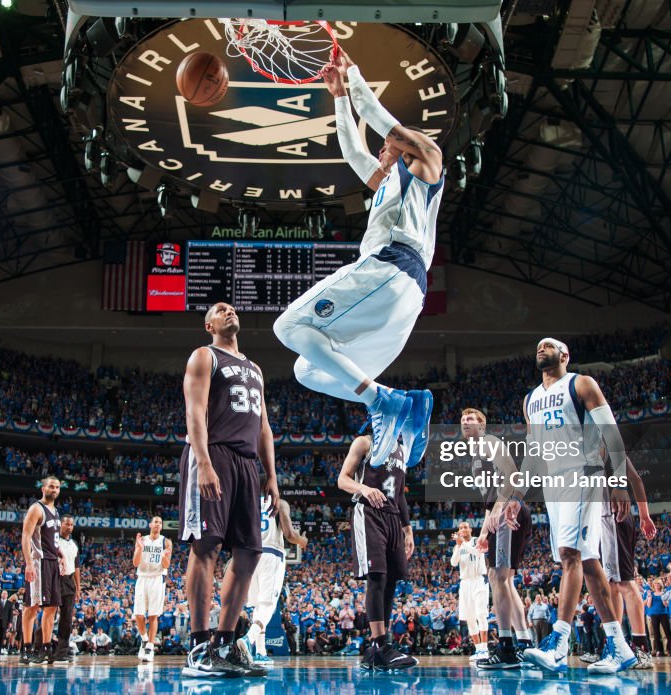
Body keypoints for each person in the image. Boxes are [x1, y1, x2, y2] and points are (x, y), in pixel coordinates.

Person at [273, 45, 443, 468]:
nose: (378, 153)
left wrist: (354, 76)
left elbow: (385, 125)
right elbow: (352, 151)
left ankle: (381, 402)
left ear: (399, 148)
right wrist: (339, 97)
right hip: (404, 296)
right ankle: (402, 404)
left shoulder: (426, 162)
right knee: (307, 370)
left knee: (289, 324)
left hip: (391, 268)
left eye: (386, 147)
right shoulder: (388, 183)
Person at [502, 338, 637, 674]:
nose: (539, 347)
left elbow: (612, 434)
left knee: (569, 555)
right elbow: (533, 452)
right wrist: (517, 496)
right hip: (552, 481)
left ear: (564, 355)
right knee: (588, 564)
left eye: (548, 345)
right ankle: (619, 648)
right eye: (536, 346)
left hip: (583, 471)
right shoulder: (530, 399)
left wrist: (618, 483)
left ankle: (558, 644)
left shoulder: (581, 383)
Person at [179, 302, 279, 678]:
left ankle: (225, 642)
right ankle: (199, 645)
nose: (229, 311)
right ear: (209, 325)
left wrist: (271, 475)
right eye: (221, 310)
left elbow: (264, 427)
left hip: (246, 463)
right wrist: (203, 462)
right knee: (206, 545)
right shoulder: (205, 356)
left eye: (233, 308)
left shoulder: (255, 369)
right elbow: (195, 410)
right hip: (213, 453)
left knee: (250, 552)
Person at [337, 431, 417, 672]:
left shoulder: (402, 449)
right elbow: (342, 479)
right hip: (369, 512)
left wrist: (408, 528)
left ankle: (377, 650)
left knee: (391, 580)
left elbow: (400, 492)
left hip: (393, 516)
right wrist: (363, 488)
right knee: (377, 576)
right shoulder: (365, 442)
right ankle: (380, 644)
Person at [462, 408, 534, 670]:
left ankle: (506, 647)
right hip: (499, 513)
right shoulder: (475, 457)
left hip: (508, 512)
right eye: (462, 420)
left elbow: (513, 474)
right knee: (505, 580)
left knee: (497, 578)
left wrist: (499, 510)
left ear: (482, 425)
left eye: (471, 419)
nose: (465, 423)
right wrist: (483, 533)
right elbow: (487, 502)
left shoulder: (489, 442)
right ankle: (524, 644)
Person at [596, 452, 657, 668]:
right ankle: (617, 645)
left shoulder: (607, 450)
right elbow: (637, 480)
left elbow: (635, 480)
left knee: (624, 584)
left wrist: (645, 515)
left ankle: (641, 648)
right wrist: (644, 515)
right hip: (605, 520)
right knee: (612, 586)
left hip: (613, 518)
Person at [238, 495, 308, 668]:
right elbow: (290, 534)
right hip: (271, 554)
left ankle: (260, 652)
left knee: (258, 606)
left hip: (250, 554)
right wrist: (302, 540)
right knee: (268, 605)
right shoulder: (280, 503)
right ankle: (249, 639)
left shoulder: (248, 501)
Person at [20, 475, 62, 665]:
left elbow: (53, 540)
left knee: (52, 607)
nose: (54, 489)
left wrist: (60, 555)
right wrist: (28, 563)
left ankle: (46, 648)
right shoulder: (36, 508)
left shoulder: (56, 511)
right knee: (32, 606)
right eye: (51, 486)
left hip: (53, 562)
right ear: (43, 489)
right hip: (39, 562)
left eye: (57, 487)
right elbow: (26, 537)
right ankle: (26, 649)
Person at [133, 516, 172, 662]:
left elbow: (167, 565)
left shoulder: (166, 542)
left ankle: (150, 646)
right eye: (155, 522)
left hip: (157, 578)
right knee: (138, 614)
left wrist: (163, 556)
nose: (158, 524)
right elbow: (135, 562)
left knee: (153, 615)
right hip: (142, 577)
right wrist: (139, 549)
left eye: (160, 522)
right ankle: (144, 639)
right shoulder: (142, 540)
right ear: (150, 524)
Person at [450, 521, 489, 663]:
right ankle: (478, 649)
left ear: (470, 529)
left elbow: (478, 553)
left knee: (481, 614)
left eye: (465, 527)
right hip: (465, 583)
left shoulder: (477, 540)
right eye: (460, 527)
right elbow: (453, 563)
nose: (463, 529)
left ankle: (485, 649)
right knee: (470, 618)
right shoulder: (459, 546)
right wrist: (458, 546)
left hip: (479, 580)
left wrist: (463, 544)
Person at [53, 514, 80, 663]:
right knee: (49, 615)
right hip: (55, 579)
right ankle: (40, 646)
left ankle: (61, 652)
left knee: (67, 618)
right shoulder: (54, 540)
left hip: (69, 581)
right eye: (67, 524)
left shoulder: (74, 543)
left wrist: (78, 586)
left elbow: (77, 567)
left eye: (71, 525)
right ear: (60, 525)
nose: (69, 527)